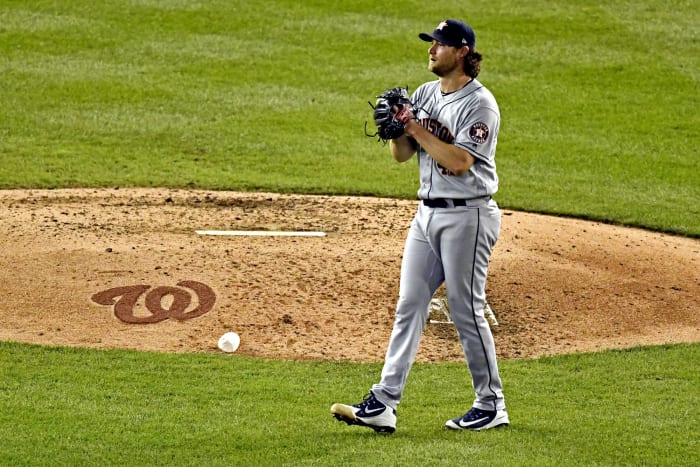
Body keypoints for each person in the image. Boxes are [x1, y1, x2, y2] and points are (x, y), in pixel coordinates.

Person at [331, 19, 508, 434]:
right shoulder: (426, 94)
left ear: (462, 52)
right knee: (410, 304)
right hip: (427, 215)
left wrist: (411, 124)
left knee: (465, 309)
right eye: (431, 43)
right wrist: (395, 129)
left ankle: (491, 403)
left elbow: (461, 162)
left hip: (469, 216)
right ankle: (384, 402)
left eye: (440, 44)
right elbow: (402, 155)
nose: (431, 50)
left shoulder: (479, 104)